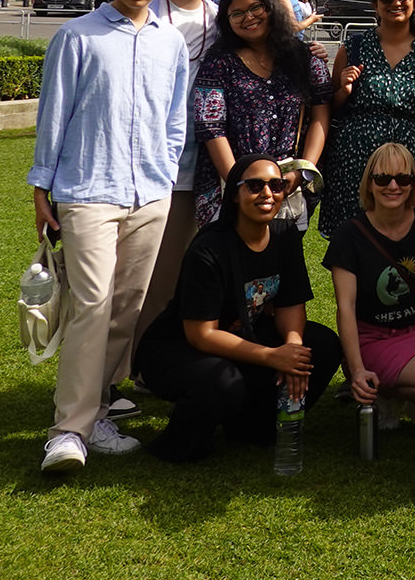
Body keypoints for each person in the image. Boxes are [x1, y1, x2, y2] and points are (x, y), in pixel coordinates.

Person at [28, 0, 188, 472]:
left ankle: (97, 409)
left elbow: (174, 119)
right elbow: (54, 114)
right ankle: (68, 429)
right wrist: (41, 187)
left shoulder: (170, 43)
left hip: (149, 192)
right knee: (92, 305)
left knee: (126, 308)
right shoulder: (78, 36)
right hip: (87, 189)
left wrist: (165, 171)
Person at [135, 154, 343, 462]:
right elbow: (201, 335)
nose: (267, 194)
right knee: (222, 381)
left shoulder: (285, 235)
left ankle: (253, 427)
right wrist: (273, 356)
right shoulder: (209, 249)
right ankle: (181, 443)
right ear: (235, 193)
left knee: (322, 345)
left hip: (245, 332)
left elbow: (290, 305)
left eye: (276, 185)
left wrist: (293, 352)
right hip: (176, 349)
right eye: (255, 186)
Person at [325, 142, 415, 436]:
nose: (393, 186)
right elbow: (345, 308)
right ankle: (388, 397)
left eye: (403, 178)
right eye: (382, 179)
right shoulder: (349, 235)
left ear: (414, 183)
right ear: (369, 184)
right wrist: (357, 370)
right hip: (371, 338)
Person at [191, 0, 334, 227]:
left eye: (255, 8)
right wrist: (243, 184)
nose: (248, 17)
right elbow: (211, 128)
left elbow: (321, 114)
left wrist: (302, 172)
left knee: (283, 260)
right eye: (237, 14)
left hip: (290, 182)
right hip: (232, 185)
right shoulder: (218, 63)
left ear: (270, 8)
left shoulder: (305, 57)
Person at [135, 0, 220, 351]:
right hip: (141, 160)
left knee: (175, 269)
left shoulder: (224, 21)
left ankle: (155, 357)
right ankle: (127, 361)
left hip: (195, 167)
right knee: (135, 271)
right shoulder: (143, 14)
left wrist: (310, 51)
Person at [322, 0, 415, 236]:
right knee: (351, 242)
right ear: (375, 4)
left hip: (406, 165)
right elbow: (328, 111)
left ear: (414, 0)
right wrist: (344, 90)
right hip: (353, 162)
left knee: (403, 243)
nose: (396, 3)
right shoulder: (354, 48)